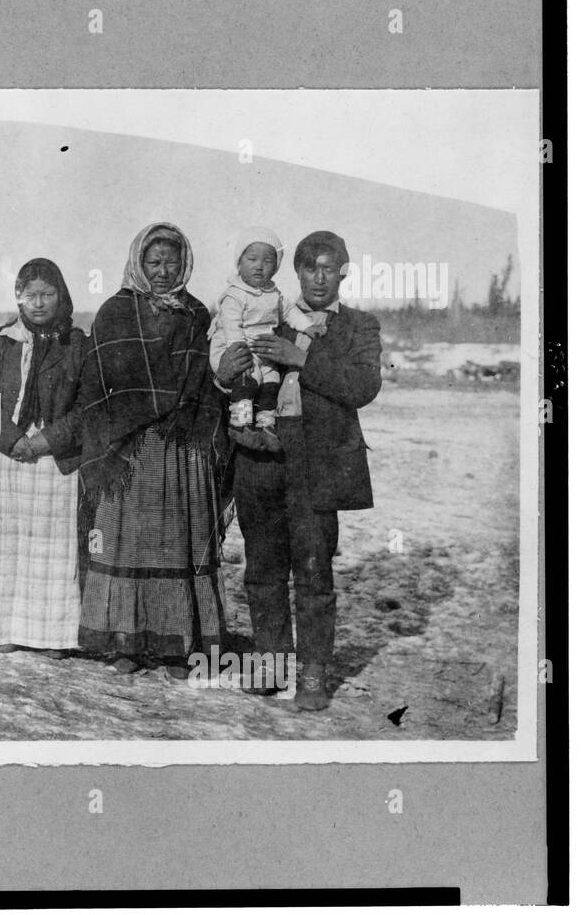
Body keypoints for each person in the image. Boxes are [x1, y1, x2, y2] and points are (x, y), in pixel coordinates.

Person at [214, 230, 381, 710]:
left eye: (330, 268)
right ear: (298, 272)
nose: (319, 278)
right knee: (262, 569)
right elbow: (231, 374)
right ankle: (270, 660)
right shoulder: (269, 313)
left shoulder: (359, 327)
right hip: (260, 458)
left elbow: (362, 387)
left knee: (313, 571)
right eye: (310, 268)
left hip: (318, 466)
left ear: (344, 272)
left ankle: (312, 674)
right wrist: (225, 374)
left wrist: (302, 359)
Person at [75, 222, 230, 675]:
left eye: (172, 262)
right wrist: (125, 426)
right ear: (139, 263)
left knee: (175, 545)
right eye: (154, 262)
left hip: (181, 449)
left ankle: (177, 644)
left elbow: (208, 381)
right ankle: (125, 643)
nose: (163, 271)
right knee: (127, 544)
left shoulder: (199, 315)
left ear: (185, 265)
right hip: (129, 451)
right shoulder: (115, 313)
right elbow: (99, 385)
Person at [0, 258, 85, 657]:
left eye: (48, 294)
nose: (39, 303)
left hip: (52, 458)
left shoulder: (76, 344)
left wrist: (46, 440)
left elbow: (89, 405)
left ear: (60, 296)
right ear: (18, 298)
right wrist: (11, 438)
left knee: (48, 551)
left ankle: (49, 636)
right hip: (4, 455)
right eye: (30, 295)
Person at [208, 227, 324, 451]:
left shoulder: (274, 293)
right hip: (236, 348)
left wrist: (308, 327)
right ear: (239, 263)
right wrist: (237, 347)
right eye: (252, 259)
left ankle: (265, 425)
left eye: (268, 261)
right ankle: (240, 423)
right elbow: (231, 323)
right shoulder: (235, 294)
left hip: (262, 351)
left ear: (276, 267)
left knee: (271, 382)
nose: (259, 266)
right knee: (246, 380)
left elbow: (289, 312)